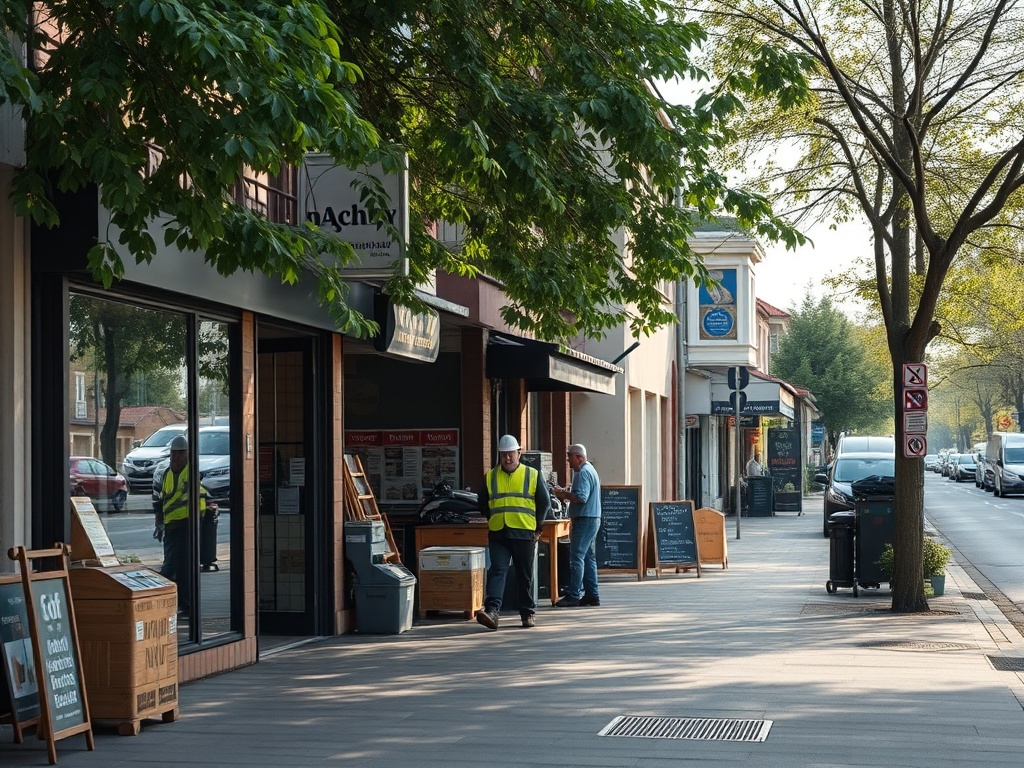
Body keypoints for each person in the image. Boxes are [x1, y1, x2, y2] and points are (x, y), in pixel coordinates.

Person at [474, 435, 551, 630]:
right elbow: (482, 502)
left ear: (519, 453)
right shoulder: (490, 476)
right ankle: (492, 611)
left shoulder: (532, 474)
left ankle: (527, 613)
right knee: (497, 570)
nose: (507, 458)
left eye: (511, 454)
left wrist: (538, 527)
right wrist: (491, 518)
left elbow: (544, 502)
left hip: (524, 531)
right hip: (499, 531)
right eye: (504, 455)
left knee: (523, 574)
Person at [153, 435, 207, 614]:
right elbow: (161, 499)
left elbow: (199, 496)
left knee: (180, 567)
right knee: (173, 565)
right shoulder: (167, 474)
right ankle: (180, 603)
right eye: (174, 453)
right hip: (171, 526)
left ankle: (182, 603)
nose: (176, 457)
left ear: (187, 455)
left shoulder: (191, 472)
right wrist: (159, 522)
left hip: (187, 525)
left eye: (180, 454)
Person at [552, 444, 602, 607]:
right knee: (588, 557)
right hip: (592, 517)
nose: (568, 460)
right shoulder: (590, 470)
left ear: (579, 457)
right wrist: (567, 490)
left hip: (584, 518)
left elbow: (581, 497)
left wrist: (562, 494)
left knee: (577, 556)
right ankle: (591, 594)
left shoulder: (583, 472)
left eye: (570, 456)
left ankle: (573, 594)